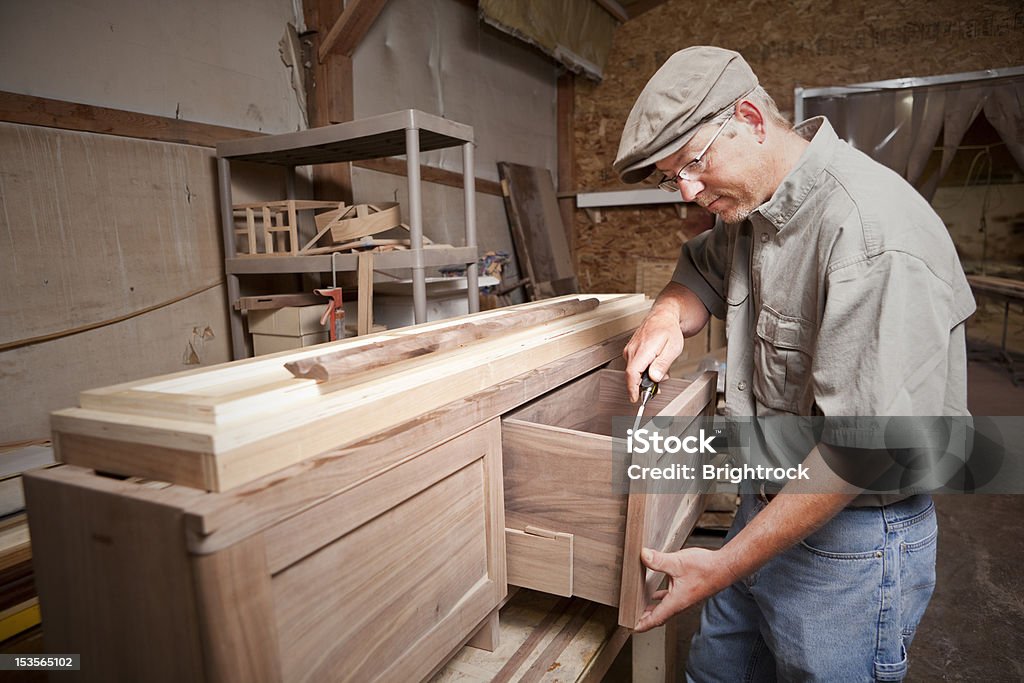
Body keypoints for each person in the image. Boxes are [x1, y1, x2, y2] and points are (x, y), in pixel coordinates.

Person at [613, 46, 976, 681]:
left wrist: (722, 566)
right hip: (767, 501)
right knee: (717, 671)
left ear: (751, 119)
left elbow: (862, 452)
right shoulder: (754, 207)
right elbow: (698, 269)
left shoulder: (870, 237)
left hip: (855, 539)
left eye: (693, 166)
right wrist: (668, 316)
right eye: (673, 179)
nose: (689, 194)